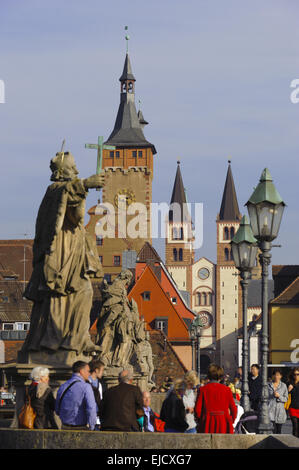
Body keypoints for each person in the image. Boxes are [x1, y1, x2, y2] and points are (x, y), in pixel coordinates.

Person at [195, 364, 237, 434]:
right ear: (220, 377)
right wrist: (230, 421)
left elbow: (197, 410)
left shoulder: (203, 390)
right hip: (223, 422)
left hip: (207, 423)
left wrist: (201, 421)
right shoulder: (226, 390)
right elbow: (233, 409)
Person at [55, 361, 97, 430]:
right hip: (80, 427)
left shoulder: (63, 386)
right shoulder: (86, 387)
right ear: (81, 371)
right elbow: (91, 408)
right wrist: (92, 426)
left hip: (64, 426)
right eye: (88, 371)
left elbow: (57, 408)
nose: (89, 374)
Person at [268, 369, 288, 434]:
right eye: (275, 375)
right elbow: (265, 397)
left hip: (280, 412)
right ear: (273, 376)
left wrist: (279, 396)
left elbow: (286, 399)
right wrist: (271, 395)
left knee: (279, 431)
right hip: (270, 411)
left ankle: (278, 444)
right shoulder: (268, 385)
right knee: (272, 430)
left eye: (278, 375)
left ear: (281, 376)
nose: (276, 377)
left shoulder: (284, 386)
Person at [88, 359, 106, 430]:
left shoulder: (99, 384)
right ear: (96, 370)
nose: (103, 373)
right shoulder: (86, 382)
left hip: (96, 419)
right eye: (102, 370)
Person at [288, 367, 299, 437]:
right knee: (295, 426)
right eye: (294, 374)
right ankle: (294, 442)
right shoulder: (289, 383)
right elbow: (285, 395)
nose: (296, 376)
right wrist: (288, 390)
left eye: (298, 374)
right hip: (292, 408)